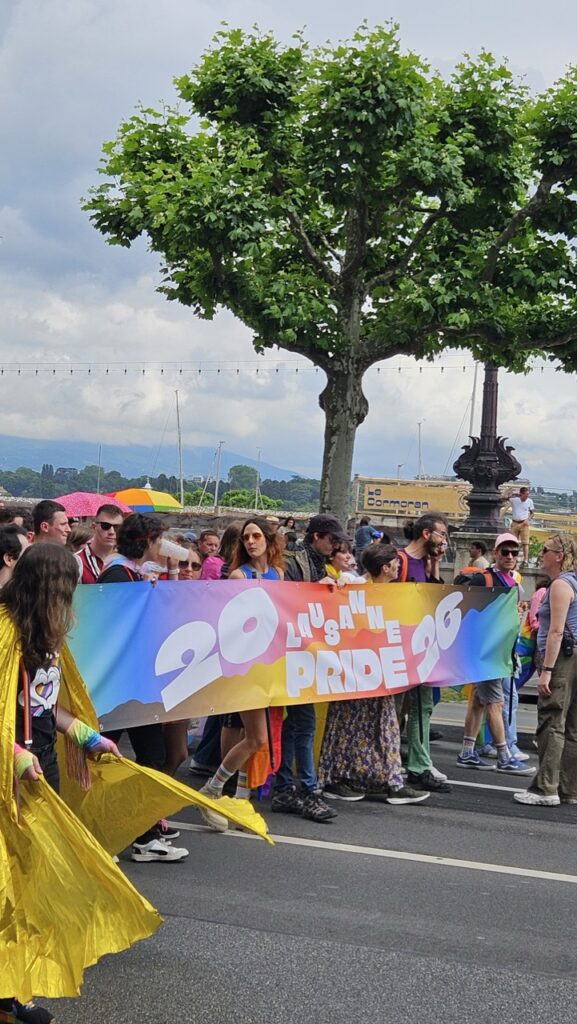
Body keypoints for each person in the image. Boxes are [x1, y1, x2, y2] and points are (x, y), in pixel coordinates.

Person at [0, 543, 125, 1024]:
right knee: (10, 883)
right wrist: (11, 755)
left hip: (40, 767)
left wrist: (90, 737)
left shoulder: (47, 638)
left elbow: (46, 706)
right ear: (48, 588)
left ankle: (10, 987)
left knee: (31, 879)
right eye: (66, 587)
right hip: (10, 774)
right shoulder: (4, 632)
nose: (72, 598)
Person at [99, 513, 189, 861]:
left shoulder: (129, 573)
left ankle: (141, 833)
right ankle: (131, 834)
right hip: (125, 687)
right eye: (158, 539)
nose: (161, 545)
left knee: (147, 755)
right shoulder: (119, 575)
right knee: (135, 756)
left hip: (132, 685)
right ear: (147, 540)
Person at [319, 543, 429, 806]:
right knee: (352, 726)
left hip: (374, 674)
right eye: (395, 563)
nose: (399, 566)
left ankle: (386, 779)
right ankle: (345, 778)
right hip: (355, 673)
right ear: (385, 567)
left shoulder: (386, 594)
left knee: (380, 725)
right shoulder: (354, 587)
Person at [198, 518, 285, 831]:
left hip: (267, 665)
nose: (251, 542)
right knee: (256, 737)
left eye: (256, 536)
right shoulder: (239, 575)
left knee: (255, 738)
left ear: (268, 540)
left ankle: (239, 799)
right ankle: (213, 789)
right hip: (245, 664)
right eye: (247, 537)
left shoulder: (279, 574)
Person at [272, 513, 349, 823]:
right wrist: (320, 588)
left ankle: (284, 787)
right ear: (317, 536)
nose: (336, 546)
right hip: (295, 654)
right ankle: (306, 789)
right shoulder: (297, 565)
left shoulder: (313, 563)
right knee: (303, 723)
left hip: (306, 653)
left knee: (295, 725)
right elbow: (289, 601)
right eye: (332, 541)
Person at [454, 533, 536, 777]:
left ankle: (467, 752)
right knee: (496, 702)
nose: (510, 556)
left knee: (480, 701)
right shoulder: (485, 579)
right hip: (487, 652)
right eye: (505, 552)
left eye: (514, 552)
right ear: (495, 554)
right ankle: (503, 756)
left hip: (499, 651)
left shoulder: (512, 582)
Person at [514, 534, 577, 806]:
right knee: (572, 725)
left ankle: (545, 788)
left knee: (552, 720)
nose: (541, 555)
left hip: (563, 657)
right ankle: (568, 788)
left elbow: (556, 630)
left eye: (546, 550)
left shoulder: (561, 585)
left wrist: (547, 670)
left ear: (559, 556)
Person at [391, 513, 451, 794]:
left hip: (420, 647)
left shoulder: (422, 564)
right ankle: (393, 764)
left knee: (422, 707)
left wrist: (435, 564)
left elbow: (433, 597)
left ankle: (419, 765)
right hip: (401, 648)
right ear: (427, 534)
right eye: (442, 534)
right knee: (394, 710)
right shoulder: (400, 561)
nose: (444, 540)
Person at [75, 504, 125, 583]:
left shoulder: (126, 560)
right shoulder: (77, 561)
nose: (111, 532)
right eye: (105, 526)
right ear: (94, 527)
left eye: (117, 527)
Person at [507, 486, 534, 566]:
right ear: (521, 494)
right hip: (515, 522)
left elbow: (532, 513)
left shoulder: (529, 501)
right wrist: (514, 494)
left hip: (524, 523)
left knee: (525, 542)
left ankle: (525, 560)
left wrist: (528, 519)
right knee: (512, 542)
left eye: (528, 494)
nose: (527, 496)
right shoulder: (515, 500)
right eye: (525, 494)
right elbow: (504, 498)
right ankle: (513, 559)